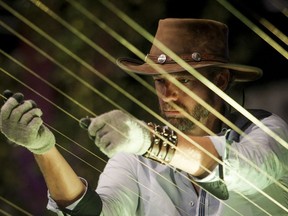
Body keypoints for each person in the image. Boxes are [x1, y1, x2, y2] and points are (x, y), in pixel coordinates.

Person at [1, 18, 288, 216]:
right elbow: (98, 212)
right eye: (160, 81)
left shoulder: (267, 131)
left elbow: (242, 171)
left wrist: (150, 142)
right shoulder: (137, 153)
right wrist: (43, 149)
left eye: (184, 81)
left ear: (221, 80)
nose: (168, 94)